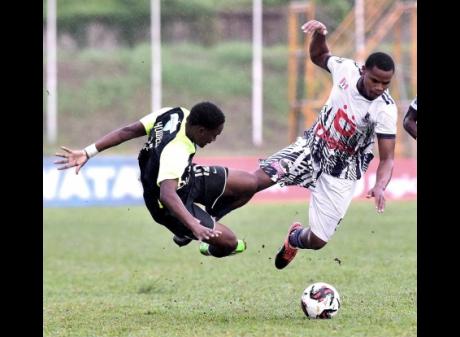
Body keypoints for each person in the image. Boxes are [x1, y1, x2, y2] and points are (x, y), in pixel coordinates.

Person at [249, 19, 398, 269]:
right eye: (375, 80)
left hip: (343, 170)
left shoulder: (385, 110)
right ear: (363, 70)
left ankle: (293, 239)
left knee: (318, 241)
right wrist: (320, 34)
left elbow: (388, 158)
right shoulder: (346, 70)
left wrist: (381, 185)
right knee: (257, 180)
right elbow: (320, 55)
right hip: (311, 148)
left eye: (386, 84)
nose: (379, 87)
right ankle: (205, 221)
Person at [55, 102, 258, 258]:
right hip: (168, 206)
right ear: (201, 130)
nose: (214, 140)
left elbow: (129, 131)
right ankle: (194, 235)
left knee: (248, 184)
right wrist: (194, 224)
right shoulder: (176, 151)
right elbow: (167, 195)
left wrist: (88, 152)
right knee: (230, 243)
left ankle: (207, 223)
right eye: (214, 135)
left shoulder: (175, 113)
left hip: (187, 177)